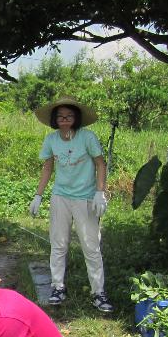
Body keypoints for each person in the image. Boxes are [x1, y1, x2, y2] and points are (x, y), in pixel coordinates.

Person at [29, 96, 112, 313]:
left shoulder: (87, 137)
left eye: (69, 116)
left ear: (76, 119)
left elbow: (100, 164)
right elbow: (47, 167)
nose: (65, 120)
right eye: (61, 117)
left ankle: (98, 292)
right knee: (58, 244)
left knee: (91, 246)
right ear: (55, 120)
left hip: (85, 198)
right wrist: (38, 195)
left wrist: (99, 192)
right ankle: (57, 287)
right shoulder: (51, 140)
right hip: (60, 197)